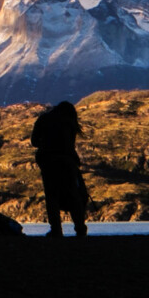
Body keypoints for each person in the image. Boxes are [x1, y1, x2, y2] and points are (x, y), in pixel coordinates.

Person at [31, 101, 89, 237]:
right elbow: (71, 144)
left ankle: (56, 230)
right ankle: (80, 228)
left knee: (52, 197)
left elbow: (34, 141)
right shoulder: (69, 122)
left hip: (48, 163)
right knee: (73, 195)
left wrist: (45, 145)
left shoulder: (44, 119)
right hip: (68, 163)